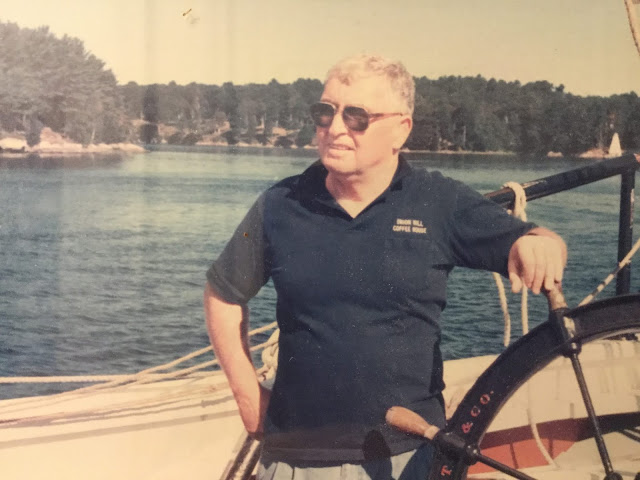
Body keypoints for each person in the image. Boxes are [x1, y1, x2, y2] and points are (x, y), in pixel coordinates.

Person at [204, 54, 567, 480]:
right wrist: (247, 395)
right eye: (325, 112)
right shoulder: (281, 204)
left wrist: (540, 245)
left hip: (409, 454)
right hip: (296, 457)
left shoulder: (438, 201)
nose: (335, 128)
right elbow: (222, 294)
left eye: (356, 116)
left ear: (401, 129)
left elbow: (538, 240)